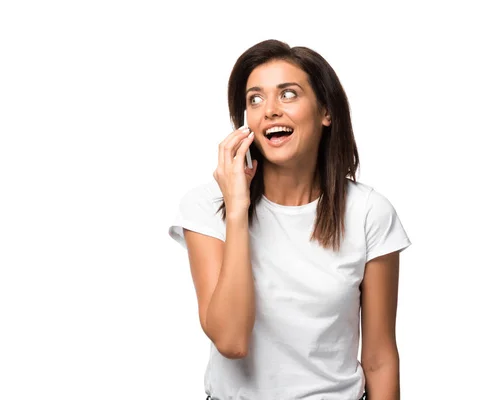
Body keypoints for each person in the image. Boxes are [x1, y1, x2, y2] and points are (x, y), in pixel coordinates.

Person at [168, 39, 411, 400]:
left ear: (325, 112)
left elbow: (379, 358)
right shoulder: (207, 206)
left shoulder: (369, 213)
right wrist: (237, 209)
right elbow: (231, 340)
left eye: (288, 94)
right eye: (255, 99)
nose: (269, 110)